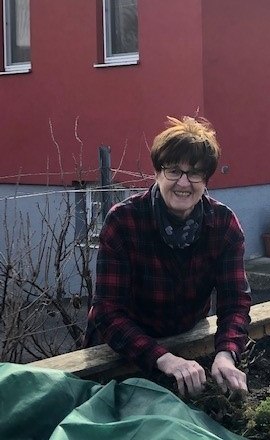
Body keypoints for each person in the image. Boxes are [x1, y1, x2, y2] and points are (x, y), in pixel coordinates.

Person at [84, 116, 252, 397]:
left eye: (195, 173)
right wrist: (164, 358)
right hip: (121, 351)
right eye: (174, 170)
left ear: (206, 179)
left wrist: (226, 352)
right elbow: (107, 312)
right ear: (157, 173)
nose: (183, 183)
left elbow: (235, 301)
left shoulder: (223, 225)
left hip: (185, 342)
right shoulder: (124, 222)